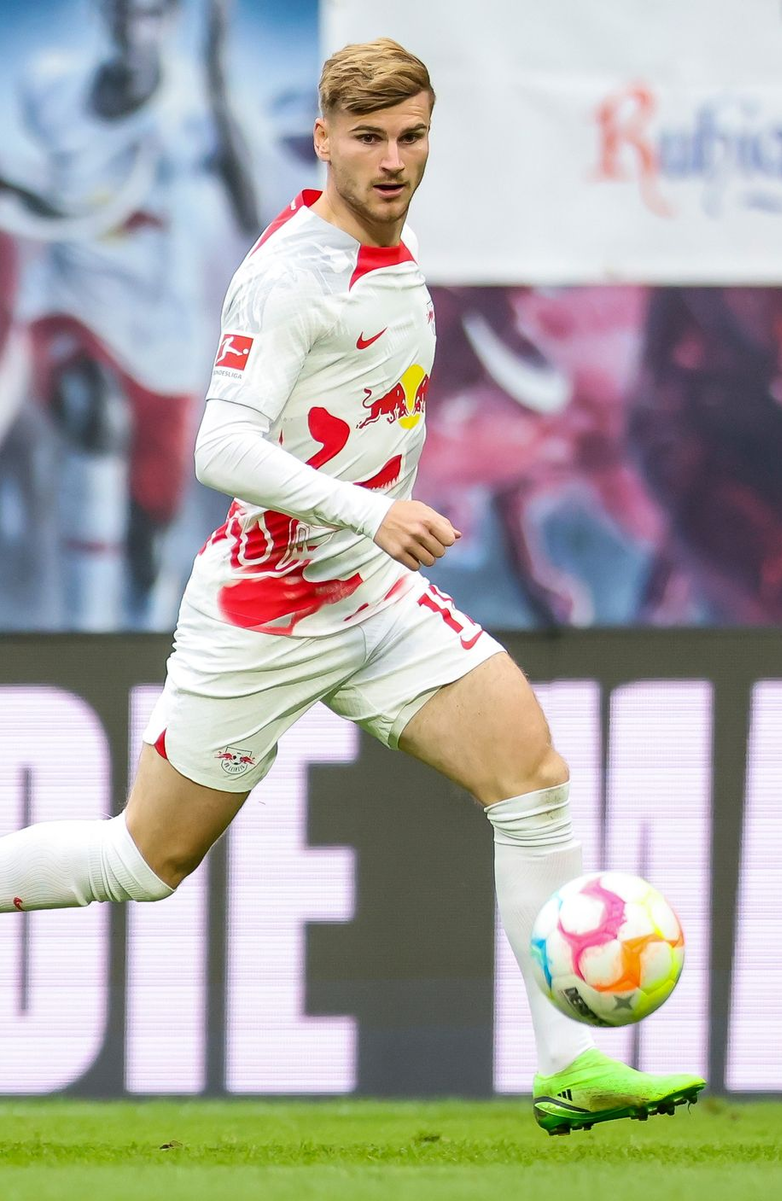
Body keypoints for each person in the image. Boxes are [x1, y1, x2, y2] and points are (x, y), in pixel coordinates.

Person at [0, 38, 703, 1129]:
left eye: (411, 137)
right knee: (144, 859)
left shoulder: (391, 251)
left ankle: (571, 1065)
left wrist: (369, 535)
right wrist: (371, 509)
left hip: (368, 597)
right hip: (268, 609)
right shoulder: (291, 276)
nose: (392, 160)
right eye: (367, 138)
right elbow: (221, 449)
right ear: (322, 138)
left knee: (531, 773)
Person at [15, 0, 257, 629]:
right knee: (97, 414)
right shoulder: (49, 86)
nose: (132, 27)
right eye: (122, 12)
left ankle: (138, 637)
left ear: (172, 20)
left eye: (148, 14)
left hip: (164, 342)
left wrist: (220, 75)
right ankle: (82, 639)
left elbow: (251, 209)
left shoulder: (194, 107)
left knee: (147, 537)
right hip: (72, 307)